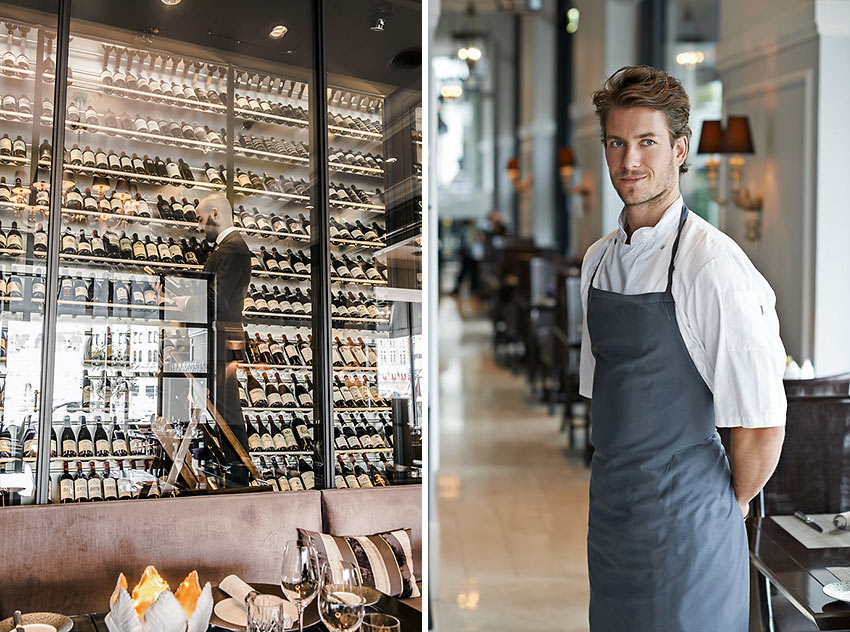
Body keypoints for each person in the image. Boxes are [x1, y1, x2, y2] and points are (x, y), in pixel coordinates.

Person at [579, 66, 786, 631]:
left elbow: (763, 424)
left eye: (647, 142)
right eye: (617, 143)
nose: (629, 162)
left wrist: (719, 508)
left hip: (688, 526)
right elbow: (605, 397)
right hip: (613, 519)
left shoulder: (713, 265)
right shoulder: (596, 261)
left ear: (679, 148)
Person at [178, 192, 252, 485]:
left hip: (221, 340)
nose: (199, 227)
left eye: (200, 219)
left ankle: (239, 474)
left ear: (216, 214)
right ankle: (234, 469)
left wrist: (182, 301)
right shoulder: (228, 248)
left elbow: (216, 300)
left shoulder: (232, 249)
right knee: (222, 406)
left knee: (227, 407)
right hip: (217, 340)